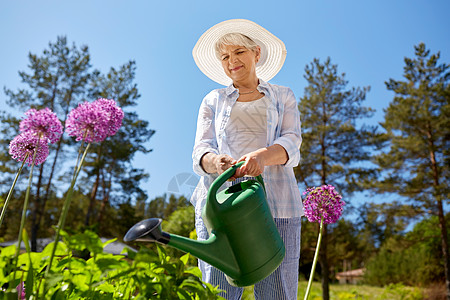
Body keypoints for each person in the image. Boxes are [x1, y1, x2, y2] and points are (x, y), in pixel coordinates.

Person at [191, 19, 303, 300]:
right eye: (225, 56)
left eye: (239, 52)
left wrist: (262, 157)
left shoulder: (283, 96)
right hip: (221, 204)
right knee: (218, 292)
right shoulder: (212, 100)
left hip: (277, 203)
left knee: (278, 292)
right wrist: (216, 163)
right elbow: (200, 149)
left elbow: (292, 142)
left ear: (257, 54)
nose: (232, 61)